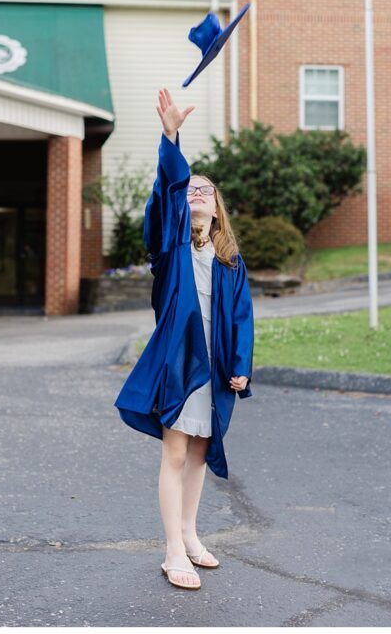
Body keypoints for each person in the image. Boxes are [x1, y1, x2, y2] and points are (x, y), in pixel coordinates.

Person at [114, 88, 254, 591]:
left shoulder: (229, 264)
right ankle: (173, 549)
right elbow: (169, 189)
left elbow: (241, 317)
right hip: (179, 365)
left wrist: (240, 364)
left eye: (206, 191)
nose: (196, 194)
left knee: (198, 454)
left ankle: (191, 534)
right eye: (190, 190)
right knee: (175, 454)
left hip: (214, 369)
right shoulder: (170, 250)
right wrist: (171, 136)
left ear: (218, 210)